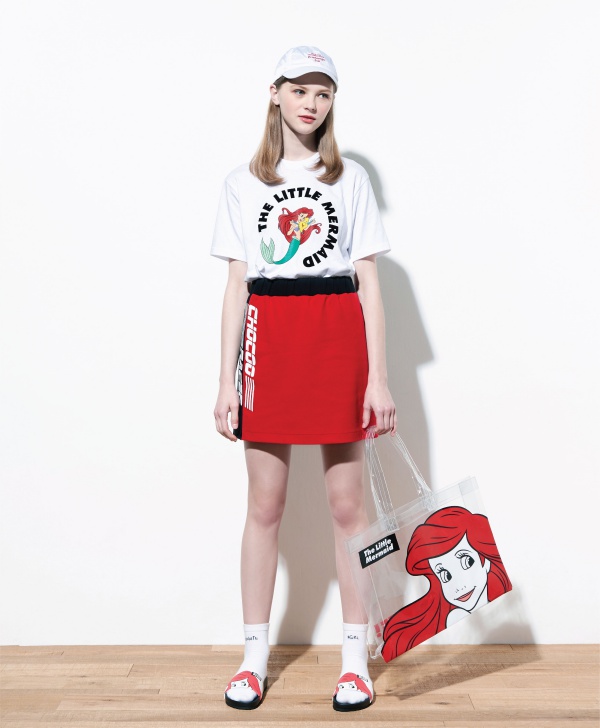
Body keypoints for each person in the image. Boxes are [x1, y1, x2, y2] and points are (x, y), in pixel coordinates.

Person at [210, 45, 397, 713]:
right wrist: (227, 382)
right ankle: (253, 657)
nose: (311, 103)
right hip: (271, 338)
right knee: (264, 505)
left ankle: (355, 659)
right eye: (300, 90)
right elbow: (237, 287)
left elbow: (369, 284)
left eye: (323, 92)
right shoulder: (242, 183)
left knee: (349, 508)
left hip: (336, 336)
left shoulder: (350, 179)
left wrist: (379, 378)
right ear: (276, 93)